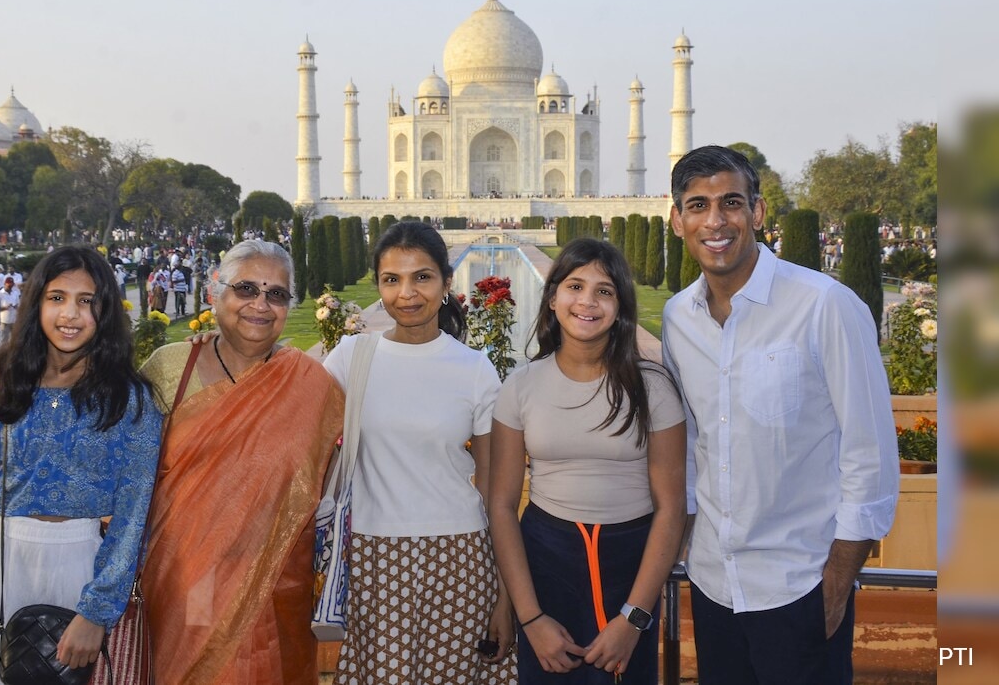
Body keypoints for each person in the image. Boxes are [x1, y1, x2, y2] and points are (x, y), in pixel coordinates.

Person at [0, 239, 345, 684]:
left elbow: (334, 474)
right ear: (215, 292)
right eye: (245, 289)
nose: (260, 304)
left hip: (273, 583)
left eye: (276, 294)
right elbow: (105, 449)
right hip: (185, 580)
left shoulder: (310, 384)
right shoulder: (170, 367)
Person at [660, 145, 899, 684]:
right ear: (677, 221)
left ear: (758, 212)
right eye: (698, 206)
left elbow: (870, 454)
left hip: (800, 585)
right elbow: (694, 441)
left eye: (731, 203)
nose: (715, 221)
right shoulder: (679, 318)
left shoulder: (824, 305)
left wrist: (836, 583)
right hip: (714, 585)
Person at [0, 245, 163, 685]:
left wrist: (95, 613)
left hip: (80, 568)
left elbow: (135, 515)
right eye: (57, 297)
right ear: (36, 303)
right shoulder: (6, 387)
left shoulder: (129, 400)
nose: (70, 314)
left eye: (86, 300)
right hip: (2, 561)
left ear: (106, 311)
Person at [324, 221, 516, 684]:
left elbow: (495, 493)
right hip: (372, 557)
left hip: (460, 558)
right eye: (392, 279)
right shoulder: (351, 358)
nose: (406, 294)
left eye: (422, 277)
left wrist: (505, 597)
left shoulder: (473, 369)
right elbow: (290, 417)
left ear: (447, 283)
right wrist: (217, 346)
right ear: (378, 286)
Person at [489, 238, 686, 683]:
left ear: (620, 306)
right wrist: (530, 618)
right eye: (575, 286)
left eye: (604, 291)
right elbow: (501, 505)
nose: (588, 302)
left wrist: (634, 618)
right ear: (553, 297)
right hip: (547, 561)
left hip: (631, 566)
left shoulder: (652, 387)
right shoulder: (520, 387)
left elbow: (672, 508)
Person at [0, 276, 19, 346]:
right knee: (4, 340)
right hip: (4, 320)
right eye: (9, 284)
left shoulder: (15, 293)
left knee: (14, 340)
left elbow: (18, 304)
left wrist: (16, 306)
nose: (10, 286)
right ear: (5, 284)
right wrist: (5, 307)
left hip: (14, 320)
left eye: (11, 284)